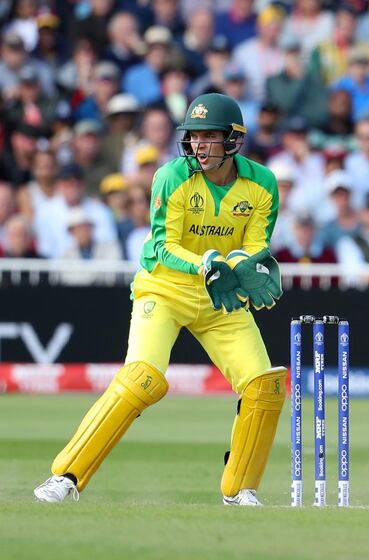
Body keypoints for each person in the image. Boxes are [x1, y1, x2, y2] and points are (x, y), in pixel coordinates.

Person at [33, 93, 285, 507]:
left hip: (220, 296)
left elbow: (255, 245)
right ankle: (65, 477)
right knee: (142, 378)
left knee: (264, 386)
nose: (200, 146)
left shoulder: (262, 183)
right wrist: (207, 263)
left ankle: (240, 489)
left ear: (233, 139)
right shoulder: (172, 176)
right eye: (194, 136)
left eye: (209, 137)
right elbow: (163, 247)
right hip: (164, 289)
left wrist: (242, 265)